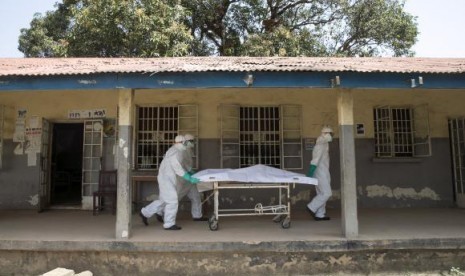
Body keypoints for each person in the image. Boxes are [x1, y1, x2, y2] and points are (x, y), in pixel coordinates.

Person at [139, 135, 200, 230]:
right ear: (182, 142)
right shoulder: (175, 152)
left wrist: (189, 172)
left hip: (169, 178)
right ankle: (169, 224)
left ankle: (145, 213)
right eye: (186, 142)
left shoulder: (179, 150)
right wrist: (189, 177)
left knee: (164, 201)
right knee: (172, 200)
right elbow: (178, 168)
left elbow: (183, 165)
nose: (188, 144)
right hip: (166, 179)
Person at [176, 133, 208, 221]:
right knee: (175, 198)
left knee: (196, 196)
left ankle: (197, 216)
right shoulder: (182, 151)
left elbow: (188, 164)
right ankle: (158, 212)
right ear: (186, 141)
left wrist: (191, 173)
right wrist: (190, 172)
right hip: (183, 178)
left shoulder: (188, 150)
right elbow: (183, 164)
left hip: (189, 179)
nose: (193, 143)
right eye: (192, 141)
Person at [306, 126, 333, 221]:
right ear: (326, 134)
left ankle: (320, 214)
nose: (332, 136)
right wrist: (310, 171)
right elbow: (315, 159)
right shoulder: (320, 145)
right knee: (326, 193)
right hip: (320, 171)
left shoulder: (324, 143)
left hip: (323, 171)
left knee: (321, 193)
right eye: (330, 133)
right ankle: (311, 207)